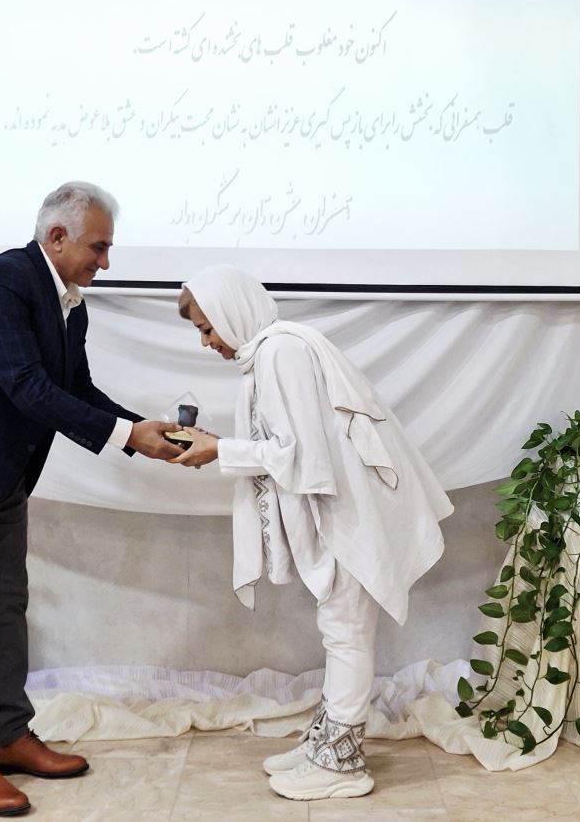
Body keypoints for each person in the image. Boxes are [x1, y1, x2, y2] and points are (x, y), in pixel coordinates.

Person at [0, 182, 182, 817]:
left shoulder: (70, 304)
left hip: (3, 476)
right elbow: (26, 385)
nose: (105, 262)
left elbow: (74, 388)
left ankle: (11, 735)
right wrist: (126, 435)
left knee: (5, 608)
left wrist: (139, 429)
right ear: (57, 237)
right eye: (98, 248)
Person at [170, 265, 453, 801]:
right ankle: (327, 743)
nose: (206, 342)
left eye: (207, 328)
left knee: (347, 632)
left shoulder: (280, 352)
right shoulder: (276, 350)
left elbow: (301, 457)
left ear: (232, 312)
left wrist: (220, 450)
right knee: (339, 629)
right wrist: (220, 446)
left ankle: (342, 766)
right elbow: (295, 446)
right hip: (343, 510)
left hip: (350, 515)